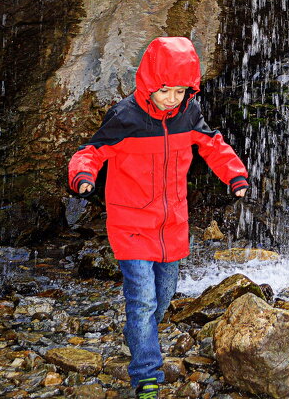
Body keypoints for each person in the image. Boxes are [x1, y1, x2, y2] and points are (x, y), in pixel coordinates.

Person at [68, 37, 249, 399]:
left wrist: (235, 176)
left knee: (162, 298)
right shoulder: (125, 117)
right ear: (150, 83)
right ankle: (146, 375)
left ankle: (137, 333)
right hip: (131, 225)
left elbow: (213, 146)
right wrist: (83, 176)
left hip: (172, 226)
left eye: (180, 91)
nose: (172, 98)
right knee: (144, 300)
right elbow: (91, 152)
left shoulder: (189, 115)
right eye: (165, 90)